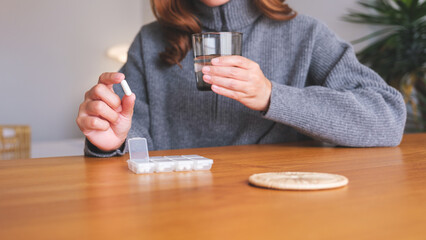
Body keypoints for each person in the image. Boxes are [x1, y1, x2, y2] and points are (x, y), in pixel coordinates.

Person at [76, 0, 406, 157]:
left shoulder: (306, 35)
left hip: (282, 217)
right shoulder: (150, 41)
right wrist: (113, 143)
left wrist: (272, 96)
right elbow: (135, 146)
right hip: (176, 215)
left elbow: (388, 118)